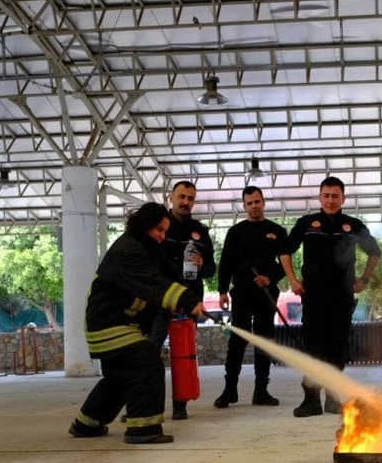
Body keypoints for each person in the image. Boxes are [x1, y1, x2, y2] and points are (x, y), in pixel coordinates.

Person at [69, 202, 206, 444]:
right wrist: (186, 299)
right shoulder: (128, 250)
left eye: (165, 231)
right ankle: (144, 429)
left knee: (120, 376)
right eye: (159, 230)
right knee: (147, 364)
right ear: (144, 225)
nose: (162, 236)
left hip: (115, 324)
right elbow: (151, 282)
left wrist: (189, 296)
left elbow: (168, 275)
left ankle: (86, 424)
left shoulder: (147, 248)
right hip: (109, 324)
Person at [280, 176, 381, 417]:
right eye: (326, 195)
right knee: (314, 348)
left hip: (342, 297)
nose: (330, 200)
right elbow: (284, 250)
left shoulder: (353, 225)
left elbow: (375, 252)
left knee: (337, 348)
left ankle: (334, 400)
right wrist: (293, 281)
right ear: (320, 197)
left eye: (335, 196)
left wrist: (364, 279)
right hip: (313, 297)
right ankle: (311, 401)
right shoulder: (307, 223)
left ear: (343, 198)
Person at [212, 185, 288, 409]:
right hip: (242, 293)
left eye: (257, 202)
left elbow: (285, 263)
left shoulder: (277, 231)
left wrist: (270, 278)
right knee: (237, 341)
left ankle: (261, 392)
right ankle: (229, 390)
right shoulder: (236, 232)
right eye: (249, 203)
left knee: (264, 341)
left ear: (263, 202)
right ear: (244, 206)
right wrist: (222, 291)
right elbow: (225, 262)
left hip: (267, 293)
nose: (254, 206)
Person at [150, 180, 216, 420]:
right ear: (171, 197)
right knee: (149, 353)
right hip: (159, 300)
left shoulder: (200, 231)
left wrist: (202, 264)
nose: (185, 202)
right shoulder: (158, 227)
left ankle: (181, 404)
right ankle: (144, 404)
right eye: (181, 197)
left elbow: (211, 270)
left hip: (189, 302)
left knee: (184, 354)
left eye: (190, 198)